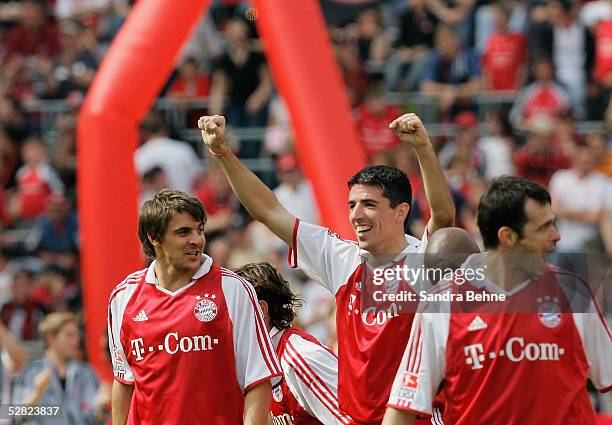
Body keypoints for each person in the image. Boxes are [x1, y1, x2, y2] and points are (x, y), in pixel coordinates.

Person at [198, 113, 455, 423]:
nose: (356, 215)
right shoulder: (341, 258)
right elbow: (268, 211)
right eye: (352, 205)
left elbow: (442, 216)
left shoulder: (422, 259)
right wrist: (223, 153)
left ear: (401, 211)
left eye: (369, 205)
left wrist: (424, 149)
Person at [383, 176, 612, 424]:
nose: (556, 236)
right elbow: (404, 407)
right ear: (508, 237)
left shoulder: (572, 292)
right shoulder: (442, 303)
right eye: (544, 227)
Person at [107, 189, 281, 425]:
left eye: (200, 230)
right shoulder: (123, 297)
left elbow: (258, 380)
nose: (197, 240)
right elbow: (124, 381)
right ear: (154, 237)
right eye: (183, 232)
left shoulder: (233, 290)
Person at [235, 262, 353, 424]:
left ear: (260, 311)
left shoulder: (300, 357)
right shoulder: (258, 364)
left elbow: (352, 420)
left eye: (233, 310)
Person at [13, 312, 108, 425]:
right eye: (69, 335)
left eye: (77, 335)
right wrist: (37, 393)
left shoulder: (86, 373)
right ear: (51, 339)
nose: (76, 341)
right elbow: (15, 415)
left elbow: (95, 420)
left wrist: (102, 406)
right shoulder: (31, 372)